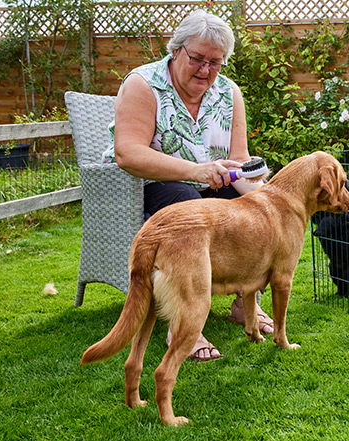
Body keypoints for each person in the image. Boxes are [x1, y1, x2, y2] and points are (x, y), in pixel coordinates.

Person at [102, 9, 273, 362]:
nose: (206, 70)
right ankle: (182, 323)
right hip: (148, 183)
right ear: (176, 50)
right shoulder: (143, 84)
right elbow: (127, 153)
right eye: (197, 58)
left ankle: (246, 302)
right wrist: (196, 170)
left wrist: (265, 202)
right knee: (187, 205)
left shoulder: (229, 93)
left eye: (216, 62)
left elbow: (239, 159)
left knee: (255, 215)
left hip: (207, 180)